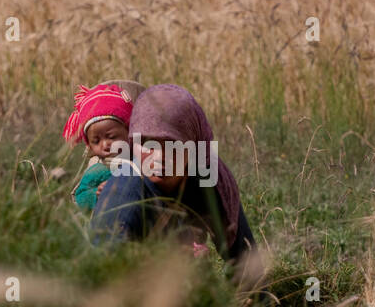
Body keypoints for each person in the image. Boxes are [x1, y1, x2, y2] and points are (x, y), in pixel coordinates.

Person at [91, 84, 260, 284]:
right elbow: (103, 278)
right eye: (148, 145)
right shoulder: (123, 192)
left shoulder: (209, 178)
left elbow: (246, 263)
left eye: (174, 146)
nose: (160, 157)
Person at [61, 82, 141, 209]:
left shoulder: (141, 161)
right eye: (96, 141)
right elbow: (79, 195)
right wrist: (96, 195)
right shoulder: (97, 170)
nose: (105, 145)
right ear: (90, 146)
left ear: (129, 133)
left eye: (112, 137)